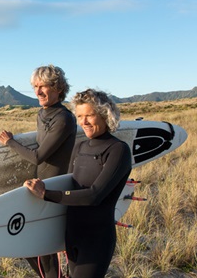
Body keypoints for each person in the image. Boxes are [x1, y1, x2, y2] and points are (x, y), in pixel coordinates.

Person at [24, 88, 132, 278]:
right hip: (71, 234)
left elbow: (94, 195)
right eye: (80, 116)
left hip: (96, 239)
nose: (84, 122)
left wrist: (46, 194)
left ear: (104, 115)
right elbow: (69, 186)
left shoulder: (117, 150)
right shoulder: (80, 147)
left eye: (89, 115)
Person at [0, 64, 77, 278]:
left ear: (58, 88)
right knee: (29, 243)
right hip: (39, 184)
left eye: (43, 86)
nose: (38, 92)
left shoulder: (63, 118)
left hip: (53, 187)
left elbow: (38, 156)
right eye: (35, 86)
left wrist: (10, 142)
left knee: (43, 247)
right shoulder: (43, 113)